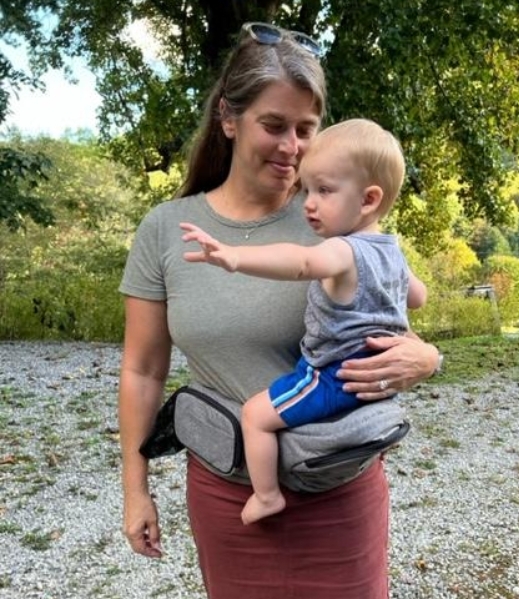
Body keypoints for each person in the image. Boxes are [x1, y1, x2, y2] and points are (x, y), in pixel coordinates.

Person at [118, 21, 441, 599]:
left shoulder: (336, 217)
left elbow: (392, 315)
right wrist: (135, 489)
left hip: (339, 492)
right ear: (229, 118)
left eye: (305, 129)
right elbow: (142, 370)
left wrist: (428, 358)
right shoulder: (166, 229)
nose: (291, 146)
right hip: (227, 499)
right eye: (274, 125)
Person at [180, 118, 427, 525]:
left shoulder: (343, 250)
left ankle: (266, 495)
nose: (309, 203)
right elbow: (418, 297)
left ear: (368, 200)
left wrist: (235, 256)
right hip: (373, 371)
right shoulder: (394, 253)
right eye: (307, 190)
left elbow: (301, 262)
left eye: (324, 191)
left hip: (332, 374)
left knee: (255, 415)